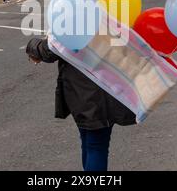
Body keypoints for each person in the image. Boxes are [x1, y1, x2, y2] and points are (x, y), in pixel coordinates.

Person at [26, 38, 136, 171]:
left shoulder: (76, 19)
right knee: (93, 142)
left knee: (92, 142)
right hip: (108, 83)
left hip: (82, 89)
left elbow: (51, 50)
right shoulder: (116, 18)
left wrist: (34, 45)